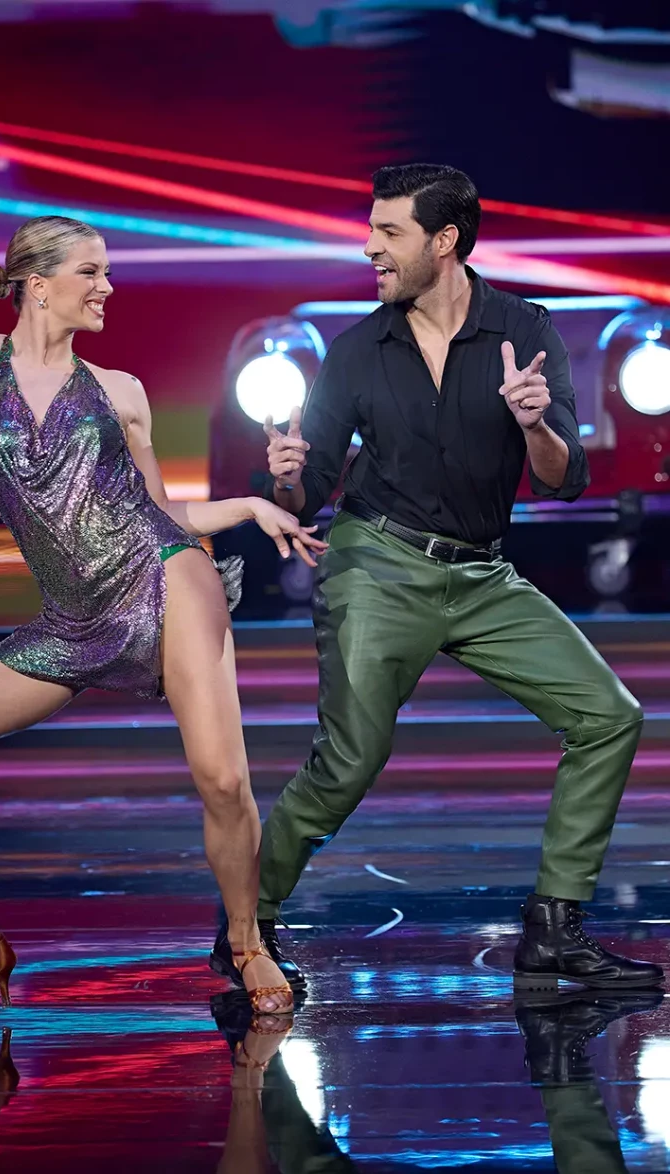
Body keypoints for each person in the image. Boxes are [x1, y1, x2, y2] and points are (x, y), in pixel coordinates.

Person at [211, 164, 664, 993]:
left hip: (484, 575)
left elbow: (565, 478)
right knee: (350, 760)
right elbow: (306, 493)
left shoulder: (525, 331)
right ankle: (247, 924)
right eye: (372, 230)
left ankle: (556, 929)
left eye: (390, 233)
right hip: (377, 566)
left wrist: (535, 425)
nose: (371, 248)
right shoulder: (355, 350)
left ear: (443, 241)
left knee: (608, 716)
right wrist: (283, 477)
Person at [0, 215, 327, 1021]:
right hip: (75, 618)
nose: (108, 286)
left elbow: (160, 513)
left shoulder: (123, 393)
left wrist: (252, 501)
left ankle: (249, 940)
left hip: (165, 577)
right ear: (37, 283)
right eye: (92, 272)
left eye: (107, 271)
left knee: (221, 777)